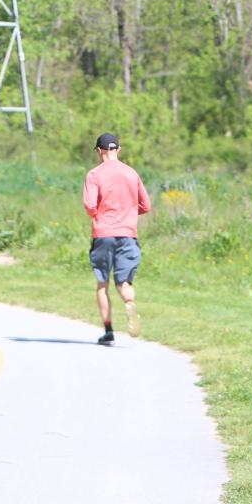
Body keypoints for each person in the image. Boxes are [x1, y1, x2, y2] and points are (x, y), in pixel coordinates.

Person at [82, 132, 151, 345]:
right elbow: (145, 205)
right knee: (123, 282)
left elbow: (89, 205)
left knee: (102, 283)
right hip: (128, 234)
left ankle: (108, 331)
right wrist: (127, 213)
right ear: (118, 150)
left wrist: (100, 215)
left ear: (98, 150)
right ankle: (129, 301)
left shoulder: (94, 174)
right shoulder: (132, 173)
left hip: (103, 233)